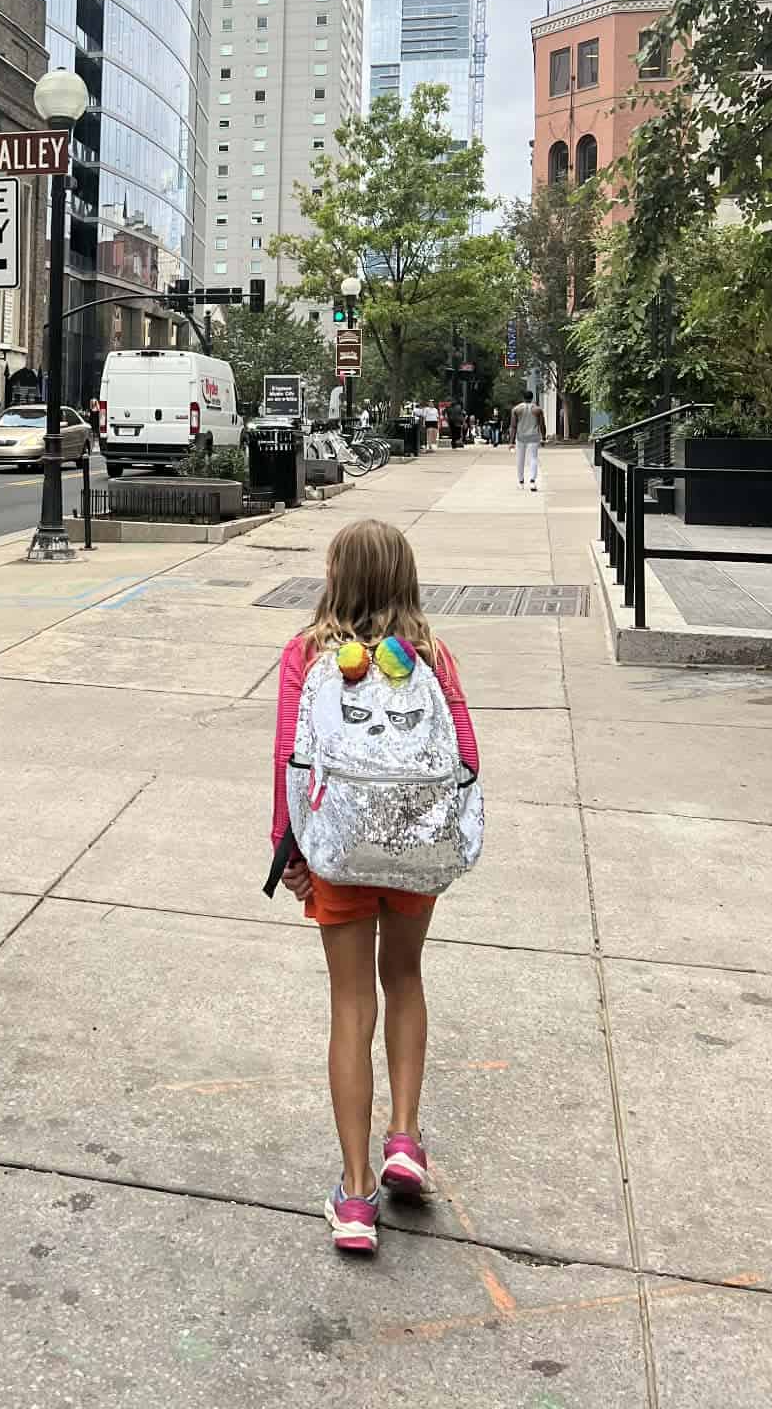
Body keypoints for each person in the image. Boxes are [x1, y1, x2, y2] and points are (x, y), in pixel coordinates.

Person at [270, 520, 479, 1255]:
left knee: (350, 1003)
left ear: (338, 577)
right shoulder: (433, 656)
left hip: (337, 852)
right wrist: (454, 837)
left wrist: (288, 849)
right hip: (416, 849)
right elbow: (466, 754)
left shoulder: (307, 654)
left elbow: (290, 756)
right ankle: (405, 1138)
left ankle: (356, 1195)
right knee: (406, 978)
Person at [510, 394, 544, 491]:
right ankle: (532, 482)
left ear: (523, 398)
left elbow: (513, 426)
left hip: (520, 437)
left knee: (520, 460)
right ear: (532, 398)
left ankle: (521, 482)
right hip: (533, 437)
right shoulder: (537, 410)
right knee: (533, 458)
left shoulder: (516, 409)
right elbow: (542, 425)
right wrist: (543, 437)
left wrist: (511, 442)